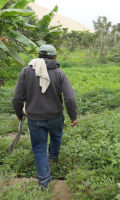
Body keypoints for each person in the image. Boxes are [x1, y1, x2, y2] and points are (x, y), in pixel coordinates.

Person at [12, 45, 78, 188]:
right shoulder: (59, 73)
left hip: (34, 118)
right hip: (55, 116)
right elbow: (70, 98)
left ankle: (44, 181)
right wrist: (73, 116)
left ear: (39, 56)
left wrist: (19, 114)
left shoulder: (26, 71)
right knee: (56, 137)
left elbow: (17, 98)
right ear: (54, 58)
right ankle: (53, 157)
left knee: (39, 149)